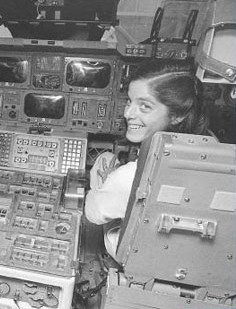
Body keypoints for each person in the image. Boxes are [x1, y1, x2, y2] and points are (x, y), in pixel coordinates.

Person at [85, 59, 209, 261]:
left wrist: (107, 180)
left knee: (104, 160)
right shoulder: (214, 156)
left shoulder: (130, 178)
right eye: (129, 101)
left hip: (134, 260)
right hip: (183, 261)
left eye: (145, 106)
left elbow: (93, 213)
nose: (128, 113)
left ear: (177, 115)